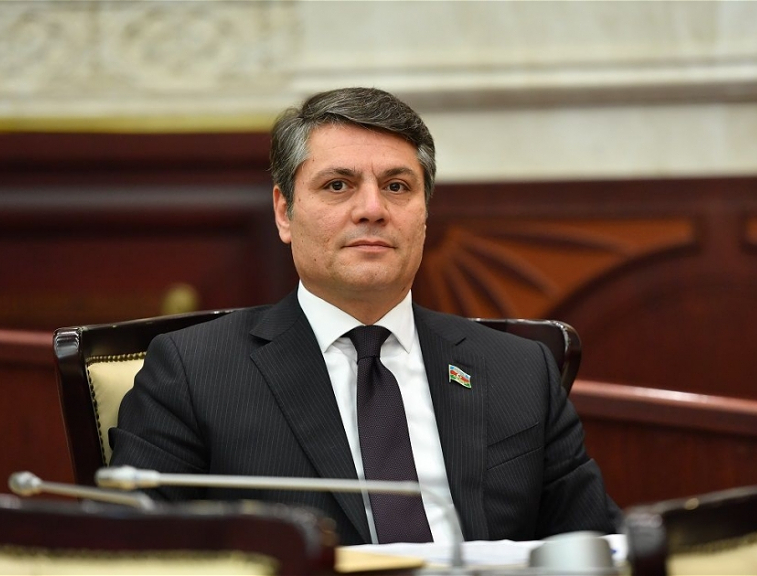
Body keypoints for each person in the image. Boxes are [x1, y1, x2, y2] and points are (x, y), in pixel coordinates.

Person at [110, 86, 621, 546]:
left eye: (397, 186)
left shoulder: (518, 370)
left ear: (425, 214)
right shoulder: (194, 371)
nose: (372, 209)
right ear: (285, 212)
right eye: (338, 185)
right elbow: (134, 553)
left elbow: (596, 542)